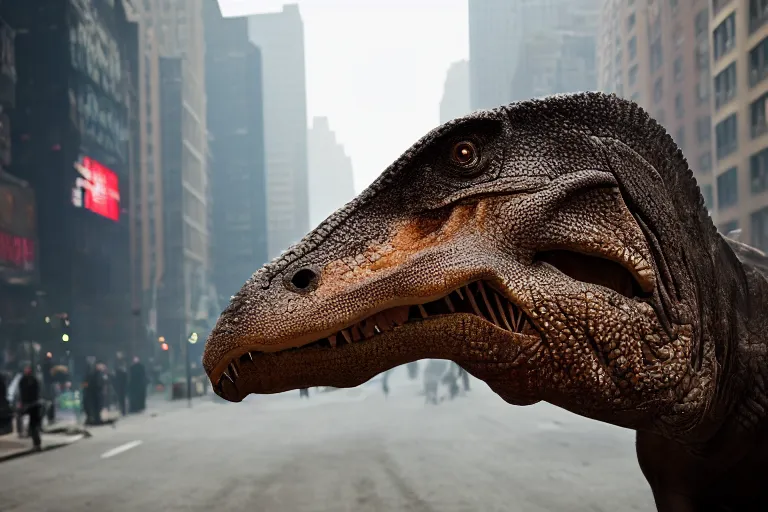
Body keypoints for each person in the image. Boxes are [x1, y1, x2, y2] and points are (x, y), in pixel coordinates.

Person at [17, 365, 41, 451]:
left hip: (33, 405)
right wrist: (21, 402)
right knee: (25, 421)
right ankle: (24, 434)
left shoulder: (33, 380)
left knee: (33, 425)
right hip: (27, 404)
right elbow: (21, 392)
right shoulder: (23, 380)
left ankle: (37, 444)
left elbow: (36, 392)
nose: (27, 370)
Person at [41, 352, 55, 423]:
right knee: (50, 401)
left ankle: (50, 417)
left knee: (50, 401)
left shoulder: (45, 364)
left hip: (47, 383)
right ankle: (50, 418)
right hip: (48, 383)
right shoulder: (48, 364)